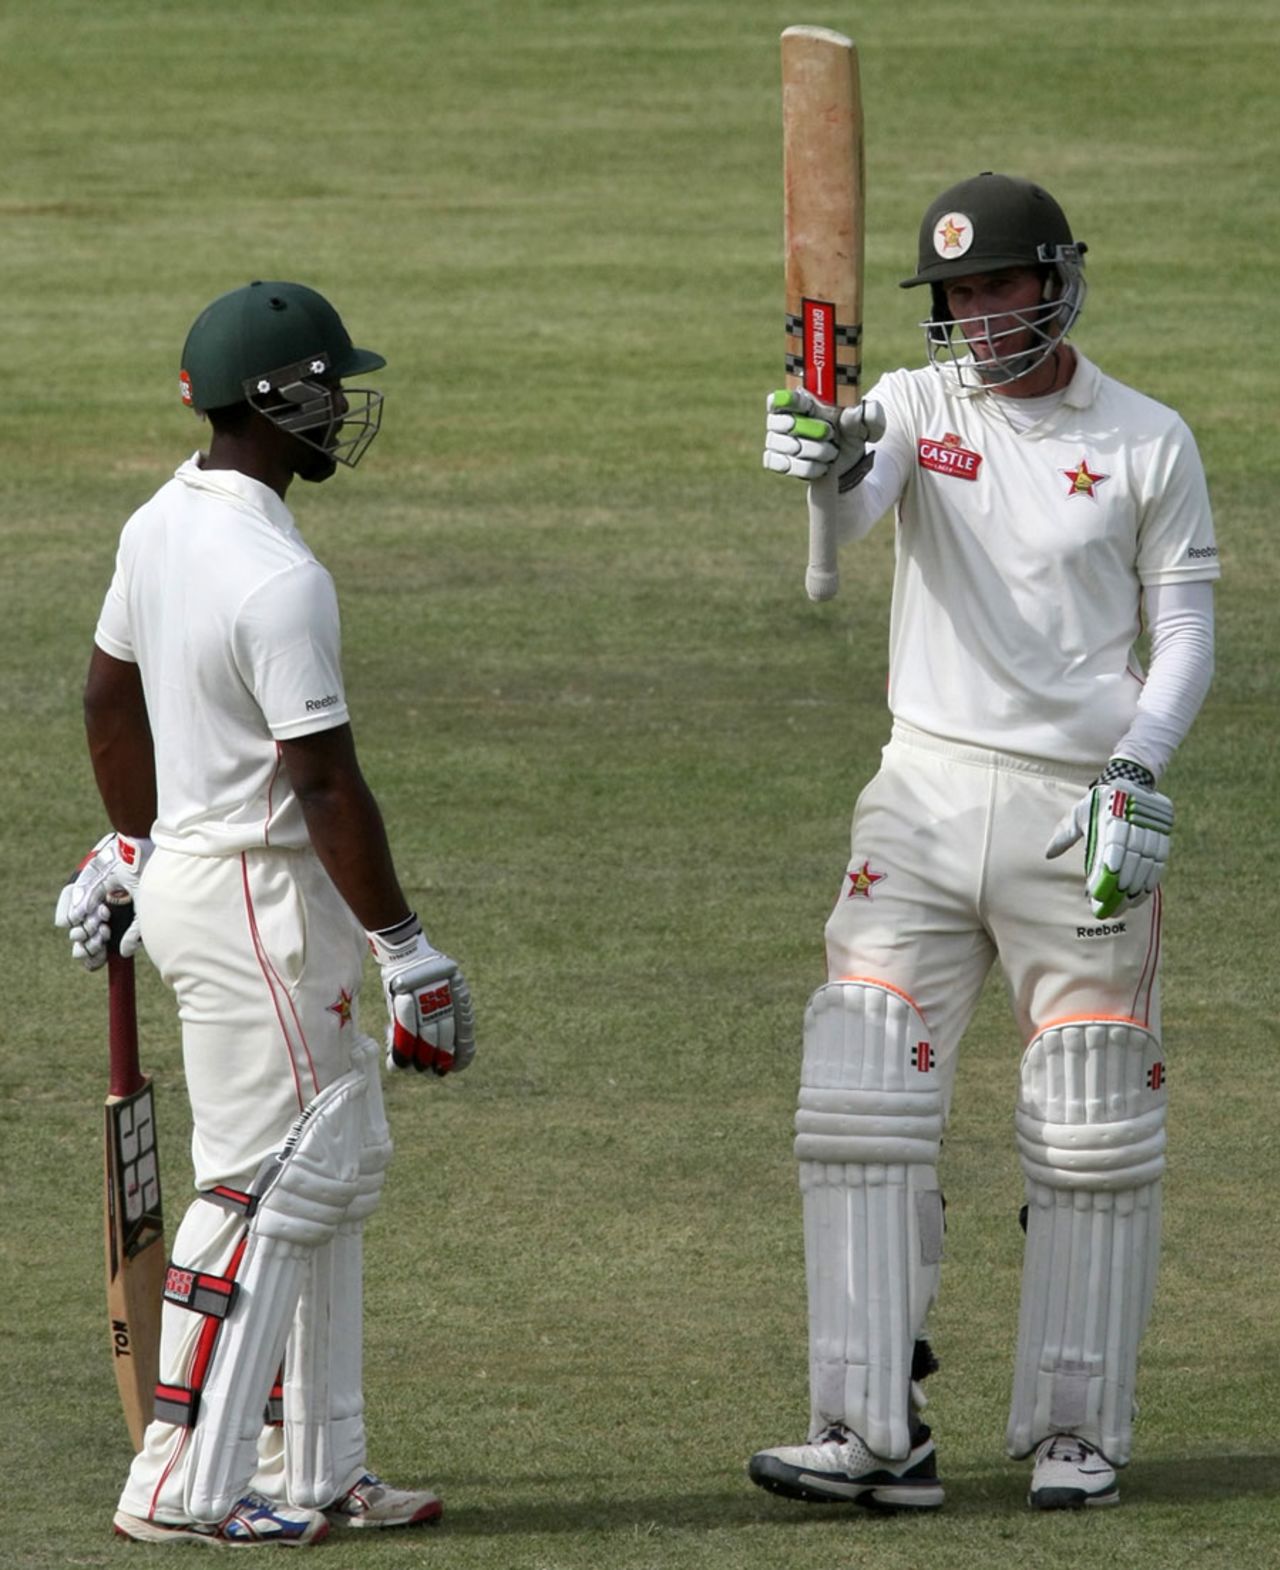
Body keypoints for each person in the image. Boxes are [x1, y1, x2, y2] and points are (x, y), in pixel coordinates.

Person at [750, 173, 1217, 1511]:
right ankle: (869, 1428)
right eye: (956, 295)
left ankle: (1078, 1429)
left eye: (999, 285)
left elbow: (1183, 632)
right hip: (922, 789)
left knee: (1088, 1114)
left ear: (1057, 281)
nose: (978, 315)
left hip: (1078, 808)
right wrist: (826, 463)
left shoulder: (1145, 438)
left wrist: (1135, 769)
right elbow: (856, 501)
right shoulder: (914, 403)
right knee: (859, 1088)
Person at [55, 281, 476, 1547]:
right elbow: (322, 779)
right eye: (326, 388)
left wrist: (136, 842)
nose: (341, 409)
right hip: (260, 902)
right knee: (257, 1190)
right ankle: (175, 1480)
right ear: (274, 399)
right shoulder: (277, 576)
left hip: (213, 882)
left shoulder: (157, 521)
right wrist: (406, 946)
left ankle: (314, 1464)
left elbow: (106, 697)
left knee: (323, 1181)